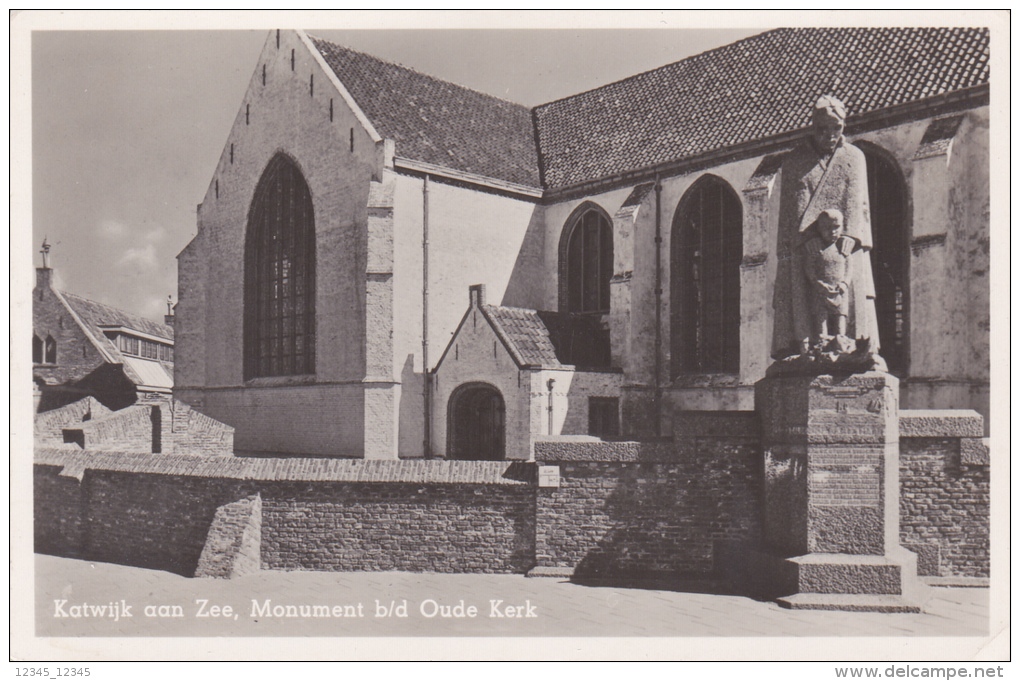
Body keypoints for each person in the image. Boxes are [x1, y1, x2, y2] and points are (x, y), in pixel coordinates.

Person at [771, 95, 880, 360]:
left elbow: (858, 201)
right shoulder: (795, 160)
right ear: (813, 126)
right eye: (822, 129)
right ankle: (805, 344)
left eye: (836, 128)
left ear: (843, 126)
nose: (829, 135)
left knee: (848, 292)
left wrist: (851, 236)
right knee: (803, 289)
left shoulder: (854, 157)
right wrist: (806, 237)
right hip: (806, 243)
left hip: (845, 240)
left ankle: (854, 344)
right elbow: (793, 204)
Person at [798, 209, 853, 345]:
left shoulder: (844, 249)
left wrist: (844, 284)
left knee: (841, 313)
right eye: (827, 228)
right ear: (819, 229)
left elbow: (849, 268)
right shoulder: (815, 249)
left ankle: (841, 336)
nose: (832, 232)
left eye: (836, 227)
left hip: (839, 290)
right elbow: (809, 268)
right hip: (822, 290)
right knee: (821, 313)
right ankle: (822, 337)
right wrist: (817, 283)